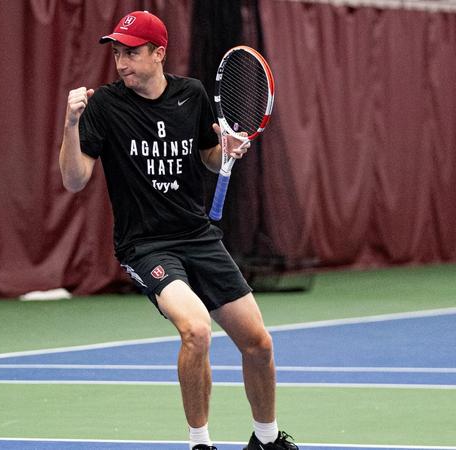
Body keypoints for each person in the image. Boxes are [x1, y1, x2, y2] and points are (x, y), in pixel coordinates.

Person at [58, 10, 298, 450]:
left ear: (159, 53)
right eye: (116, 52)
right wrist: (71, 127)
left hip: (198, 236)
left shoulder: (192, 94)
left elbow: (209, 156)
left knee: (258, 342)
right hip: (146, 246)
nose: (121, 62)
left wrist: (227, 148)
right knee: (197, 330)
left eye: (131, 52)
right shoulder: (105, 107)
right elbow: (74, 180)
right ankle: (200, 444)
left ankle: (266, 441)